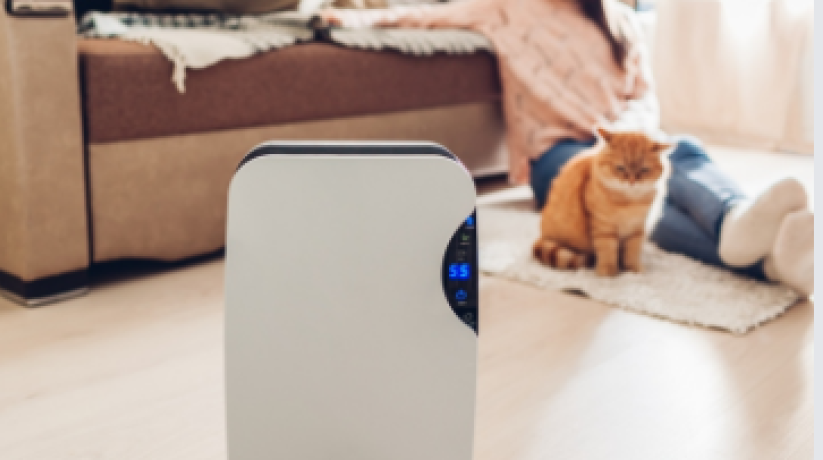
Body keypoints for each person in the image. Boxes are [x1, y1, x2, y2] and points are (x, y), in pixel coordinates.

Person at [319, 0, 814, 296]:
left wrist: (629, 136)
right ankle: (738, 229)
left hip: (622, 140)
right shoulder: (508, 7)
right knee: (616, 202)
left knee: (681, 150)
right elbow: (425, 16)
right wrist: (344, 19)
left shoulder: (617, 19)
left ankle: (754, 244)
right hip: (560, 153)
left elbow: (644, 94)